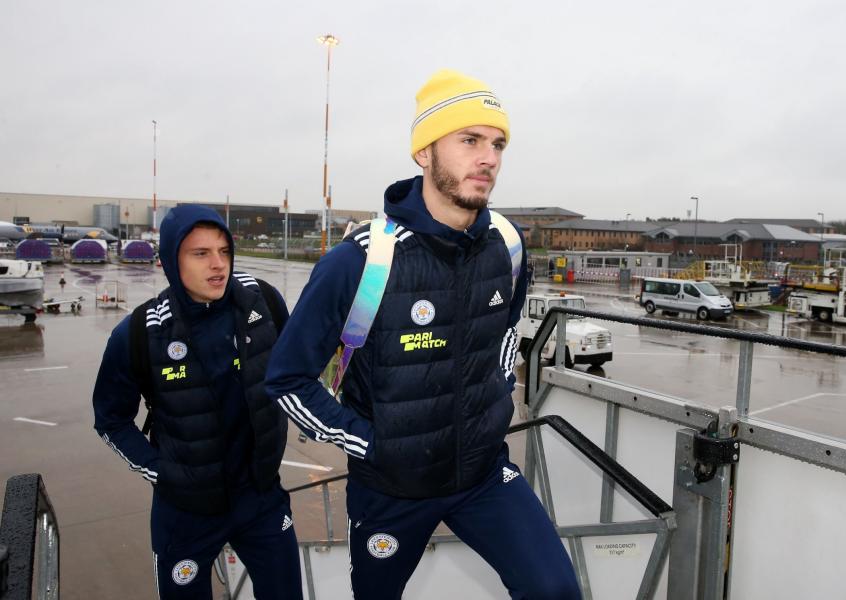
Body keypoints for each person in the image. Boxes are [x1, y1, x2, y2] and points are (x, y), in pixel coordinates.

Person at [266, 69, 581, 599]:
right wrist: (372, 444)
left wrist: (497, 396)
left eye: (498, 144)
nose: (489, 159)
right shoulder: (363, 263)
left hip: (481, 476)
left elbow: (505, 332)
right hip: (392, 490)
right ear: (423, 153)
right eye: (470, 140)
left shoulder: (505, 244)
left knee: (555, 591)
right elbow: (289, 379)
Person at [92, 206, 302, 599]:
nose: (217, 265)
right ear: (171, 260)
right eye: (200, 253)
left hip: (261, 500)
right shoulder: (140, 332)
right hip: (186, 512)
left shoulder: (265, 304)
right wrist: (162, 473)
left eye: (224, 251)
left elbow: (296, 372)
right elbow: (110, 419)